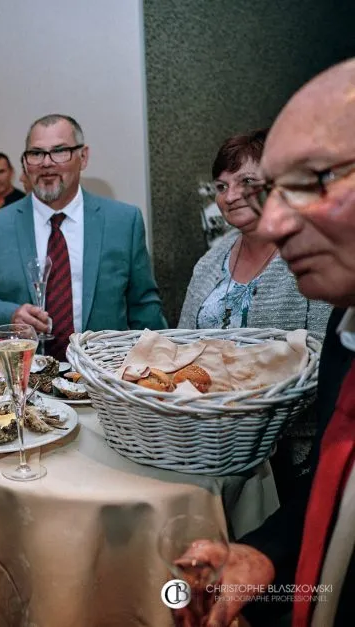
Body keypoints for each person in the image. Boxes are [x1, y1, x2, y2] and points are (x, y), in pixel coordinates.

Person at [175, 58, 355, 627]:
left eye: (315, 180)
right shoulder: (349, 332)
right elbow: (336, 488)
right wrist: (262, 554)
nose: (273, 220)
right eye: (273, 189)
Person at [0, 114, 167, 360]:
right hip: (26, 380)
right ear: (25, 163)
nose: (46, 163)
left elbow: (144, 306)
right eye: (36, 154)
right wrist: (11, 314)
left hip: (104, 380)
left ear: (84, 157)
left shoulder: (122, 222)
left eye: (60, 151)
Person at [179, 129, 331, 334]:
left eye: (247, 182)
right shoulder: (209, 263)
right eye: (222, 187)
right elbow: (181, 342)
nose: (230, 196)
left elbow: (328, 353)